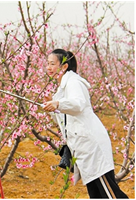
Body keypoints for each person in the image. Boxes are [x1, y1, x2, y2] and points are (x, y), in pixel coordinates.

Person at [42, 49, 128, 198]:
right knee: (96, 195)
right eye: (47, 64)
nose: (48, 68)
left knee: (110, 194)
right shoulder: (62, 88)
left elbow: (78, 104)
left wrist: (58, 104)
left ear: (64, 67)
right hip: (84, 149)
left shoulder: (73, 81)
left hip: (92, 147)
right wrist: (52, 107)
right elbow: (64, 120)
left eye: (52, 64)